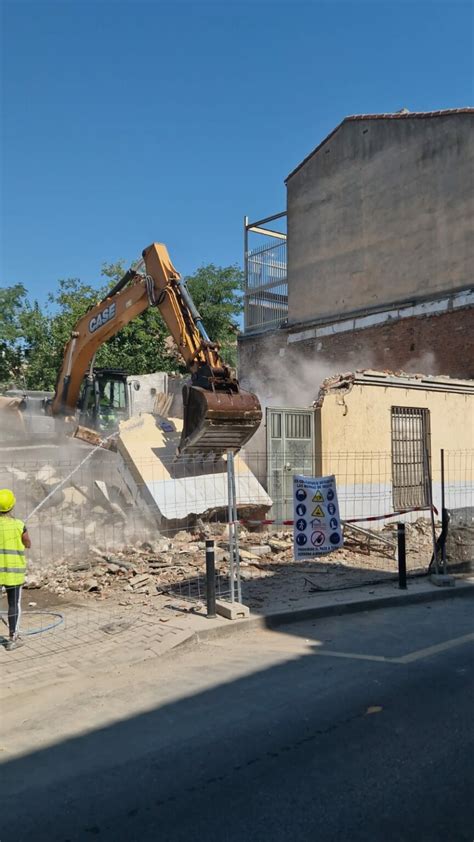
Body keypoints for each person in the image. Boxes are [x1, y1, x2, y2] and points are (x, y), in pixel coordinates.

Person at [0, 489, 31, 651]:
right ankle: (13, 638)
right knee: (13, 604)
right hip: (13, 574)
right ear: (12, 506)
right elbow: (28, 543)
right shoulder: (19, 525)